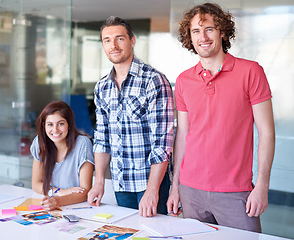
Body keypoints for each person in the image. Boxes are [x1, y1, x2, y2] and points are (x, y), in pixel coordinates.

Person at [167, 3, 275, 233]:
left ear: (223, 32)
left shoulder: (251, 72)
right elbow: (183, 136)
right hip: (190, 190)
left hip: (235, 192)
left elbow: (266, 132)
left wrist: (263, 186)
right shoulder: (184, 81)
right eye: (196, 31)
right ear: (190, 37)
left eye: (209, 29)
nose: (202, 37)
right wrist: (175, 186)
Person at [87, 16, 174, 217]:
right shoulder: (102, 87)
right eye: (107, 40)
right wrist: (99, 182)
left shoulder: (153, 80)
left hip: (150, 183)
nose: (113, 45)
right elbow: (102, 138)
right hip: (120, 183)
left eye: (119, 38)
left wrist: (152, 190)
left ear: (132, 40)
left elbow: (163, 142)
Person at [31, 100, 94, 210]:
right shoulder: (39, 142)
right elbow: (36, 184)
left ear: (69, 125)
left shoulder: (83, 144)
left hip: (78, 208)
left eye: (60, 124)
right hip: (51, 207)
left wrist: (57, 201)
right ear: (44, 126)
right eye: (50, 124)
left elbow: (85, 192)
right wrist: (59, 192)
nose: (55, 130)